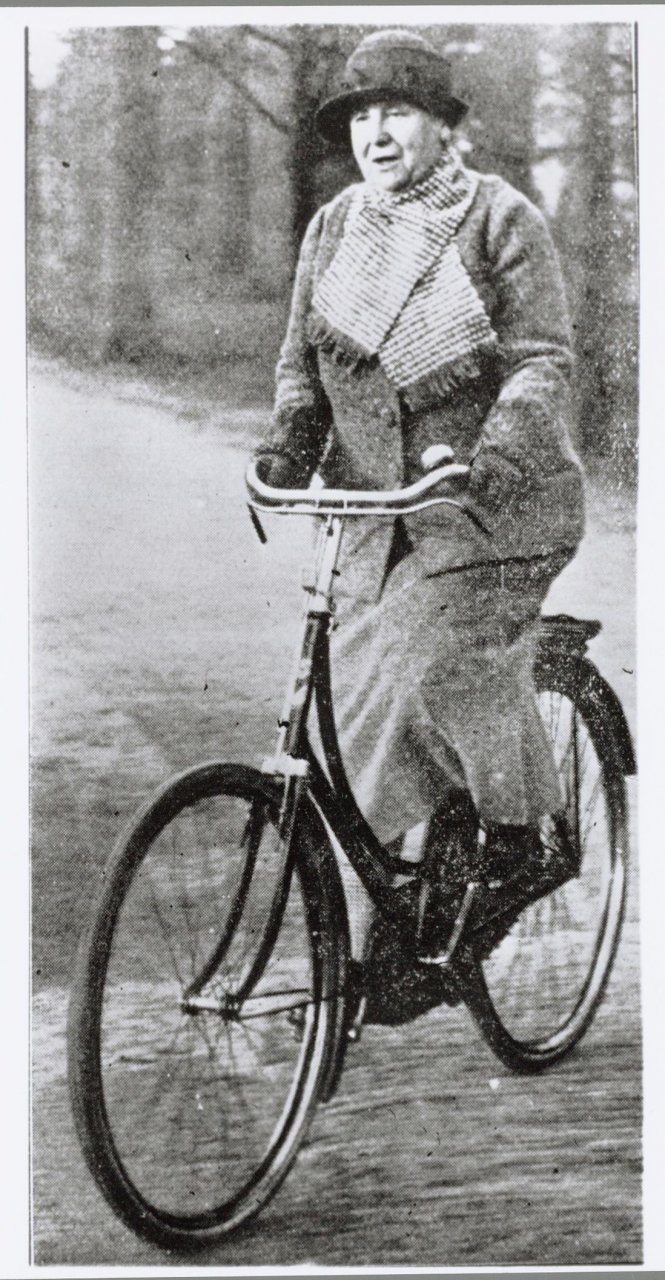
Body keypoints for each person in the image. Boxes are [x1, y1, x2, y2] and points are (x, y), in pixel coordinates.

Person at [254, 29, 585, 968]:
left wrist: (495, 450)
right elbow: (301, 367)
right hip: (375, 523)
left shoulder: (498, 218)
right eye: (361, 116)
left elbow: (541, 360)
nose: (376, 134)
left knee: (436, 656)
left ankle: (520, 837)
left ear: (442, 127)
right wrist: (289, 444)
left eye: (397, 111)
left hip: (492, 512)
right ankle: (405, 923)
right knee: (350, 707)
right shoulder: (333, 229)